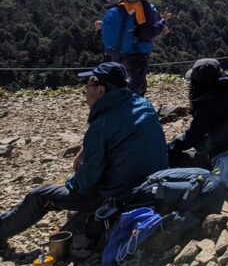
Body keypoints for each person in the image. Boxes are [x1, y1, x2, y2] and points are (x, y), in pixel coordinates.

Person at [0, 62, 168, 241]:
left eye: (87, 86)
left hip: (121, 196)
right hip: (154, 184)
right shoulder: (144, 105)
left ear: (101, 91)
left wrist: (71, 181)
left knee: (39, 195)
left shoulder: (100, 126)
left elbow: (85, 183)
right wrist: (86, 149)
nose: (84, 92)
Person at [168, 59, 228, 177]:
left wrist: (168, 148)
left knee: (171, 159)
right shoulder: (227, 89)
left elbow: (192, 136)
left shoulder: (210, 102)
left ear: (199, 85)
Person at [100, 0, 171, 96]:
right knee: (135, 90)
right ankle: (132, 112)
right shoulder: (141, 6)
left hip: (115, 52)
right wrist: (162, 22)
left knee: (117, 85)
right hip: (135, 54)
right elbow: (147, 33)